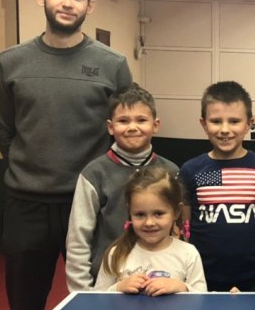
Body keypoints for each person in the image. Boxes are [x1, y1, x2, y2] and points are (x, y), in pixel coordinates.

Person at [0, 0, 132, 310]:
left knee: (105, 304)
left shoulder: (112, 65)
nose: (67, 2)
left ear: (90, 5)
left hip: (92, 204)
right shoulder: (9, 62)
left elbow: (125, 130)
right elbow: (5, 133)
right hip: (27, 206)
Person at [65, 84, 178, 291]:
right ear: (110, 127)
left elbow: (180, 232)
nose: (132, 127)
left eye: (141, 120)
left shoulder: (171, 172)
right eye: (123, 121)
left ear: (155, 125)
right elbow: (78, 238)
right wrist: (83, 293)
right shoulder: (94, 173)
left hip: (163, 281)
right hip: (110, 283)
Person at [180, 81, 255, 292]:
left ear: (249, 124)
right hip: (202, 277)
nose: (225, 130)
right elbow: (185, 230)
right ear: (204, 124)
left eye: (234, 121)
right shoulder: (190, 170)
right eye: (216, 121)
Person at [95, 167, 206, 294]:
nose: (149, 223)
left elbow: (201, 297)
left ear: (176, 212)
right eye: (140, 214)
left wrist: (181, 287)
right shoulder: (115, 254)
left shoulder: (188, 253)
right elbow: (98, 297)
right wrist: (118, 288)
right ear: (129, 211)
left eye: (158, 213)